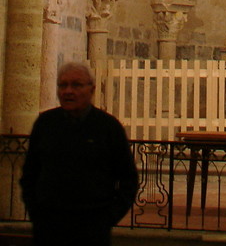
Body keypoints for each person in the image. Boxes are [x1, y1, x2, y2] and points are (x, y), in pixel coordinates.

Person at [20, 61, 139, 246]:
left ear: (91, 90)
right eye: (62, 85)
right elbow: (30, 174)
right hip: (49, 227)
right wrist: (36, 213)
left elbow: (128, 179)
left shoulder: (108, 127)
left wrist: (106, 218)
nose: (68, 91)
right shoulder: (45, 124)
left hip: (92, 227)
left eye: (76, 85)